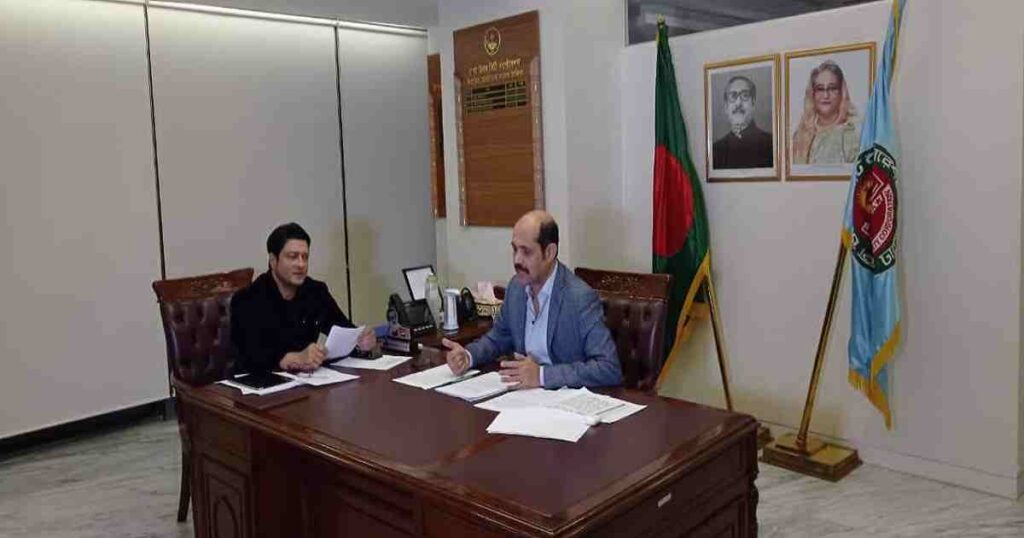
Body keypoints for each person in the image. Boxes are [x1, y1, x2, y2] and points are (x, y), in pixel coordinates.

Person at [442, 211, 622, 389]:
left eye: (526, 252)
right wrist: (469, 356)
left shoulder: (579, 298)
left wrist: (542, 376)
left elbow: (608, 368)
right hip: (524, 395)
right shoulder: (516, 288)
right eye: (515, 249)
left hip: (564, 398)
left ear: (549, 252)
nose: (517, 260)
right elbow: (498, 338)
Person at [231, 223, 374, 373]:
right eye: (293, 257)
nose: (301, 264)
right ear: (273, 260)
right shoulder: (247, 299)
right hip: (264, 382)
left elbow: (342, 328)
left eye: (305, 257)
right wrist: (291, 358)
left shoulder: (316, 291)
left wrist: (360, 339)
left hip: (309, 379)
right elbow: (251, 355)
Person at [791, 60, 859, 165]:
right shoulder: (800, 135)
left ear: (841, 92)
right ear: (812, 94)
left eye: (832, 88)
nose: (826, 95)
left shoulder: (852, 134)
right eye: (820, 89)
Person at [712, 75, 773, 169]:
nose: (738, 103)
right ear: (726, 107)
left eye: (745, 96)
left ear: (753, 104)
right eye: (733, 96)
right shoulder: (715, 150)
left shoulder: (771, 145)